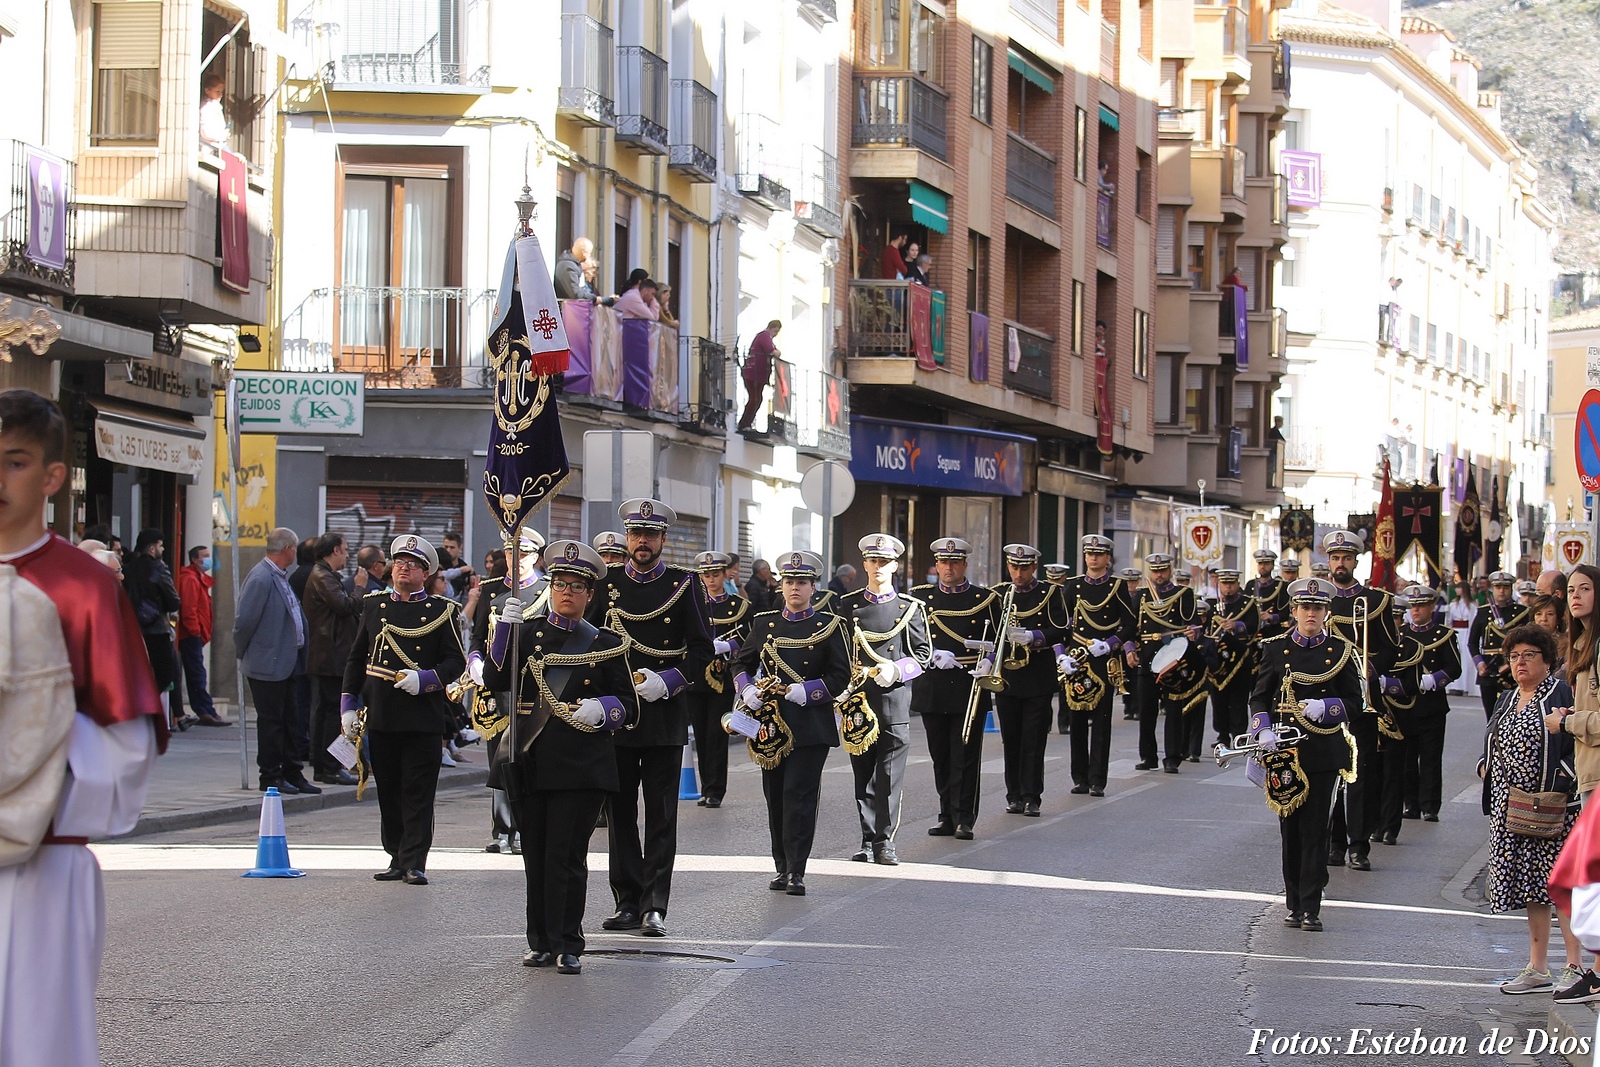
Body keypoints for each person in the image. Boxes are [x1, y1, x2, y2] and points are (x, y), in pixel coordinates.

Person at [0, 390, 167, 1067]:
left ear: (51, 476)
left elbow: (126, 744)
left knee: (42, 1043)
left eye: (13, 462)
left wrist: (31, 758)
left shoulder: (82, 586)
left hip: (43, 863)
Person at [482, 539, 638, 975]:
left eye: (577, 586)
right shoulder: (526, 634)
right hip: (530, 760)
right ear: (550, 587)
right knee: (535, 854)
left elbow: (629, 704)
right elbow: (495, 679)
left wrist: (602, 709)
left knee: (567, 856)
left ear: (590, 594)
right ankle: (540, 941)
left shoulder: (604, 642)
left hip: (582, 765)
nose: (567, 591)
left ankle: (569, 941)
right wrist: (503, 631)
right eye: (560, 583)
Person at [589, 499, 714, 939]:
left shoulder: (685, 585)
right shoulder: (605, 585)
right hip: (618, 712)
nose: (642, 542)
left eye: (651, 535)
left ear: (664, 540)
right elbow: (588, 644)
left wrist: (671, 680)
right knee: (619, 813)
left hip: (663, 711)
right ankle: (626, 900)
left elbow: (703, 650)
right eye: (636, 534)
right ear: (626, 538)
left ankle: (654, 905)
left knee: (661, 815)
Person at [340, 534, 466, 885]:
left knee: (418, 791)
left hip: (422, 716)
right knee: (390, 791)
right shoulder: (374, 605)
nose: (403, 568)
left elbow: (455, 662)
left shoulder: (441, 611)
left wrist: (425, 679)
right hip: (382, 713)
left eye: (412, 565)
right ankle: (395, 855)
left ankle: (414, 861)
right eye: (399, 562)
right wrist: (348, 706)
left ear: (425, 573)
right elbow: (356, 659)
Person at [731, 551, 852, 895]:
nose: (794, 588)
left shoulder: (831, 625)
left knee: (800, 796)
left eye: (802, 582)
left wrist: (809, 690)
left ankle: (797, 870)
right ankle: (780, 866)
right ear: (781, 586)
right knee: (776, 797)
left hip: (810, 723)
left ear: (813, 587)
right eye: (789, 582)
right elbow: (739, 664)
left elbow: (841, 677)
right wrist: (747, 689)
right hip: (772, 724)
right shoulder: (764, 623)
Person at [1247, 576, 1361, 933]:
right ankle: (1293, 902)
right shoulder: (1275, 648)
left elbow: (1357, 704)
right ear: (1294, 611)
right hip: (1284, 752)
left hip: (1324, 750)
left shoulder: (1342, 652)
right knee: (1290, 831)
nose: (1311, 614)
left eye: (1318, 608)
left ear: (1326, 612)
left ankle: (1311, 905)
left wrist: (1326, 706)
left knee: (1316, 831)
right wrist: (1262, 728)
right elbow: (1259, 695)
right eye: (1305, 608)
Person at [1480, 625, 1582, 995]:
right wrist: (1485, 766)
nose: (1519, 662)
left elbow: (1574, 746)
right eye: (1513, 656)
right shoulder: (1507, 698)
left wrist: (1560, 781)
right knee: (1530, 888)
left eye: (1528, 655)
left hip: (1553, 807)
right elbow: (1491, 738)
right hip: (1511, 807)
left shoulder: (1560, 693)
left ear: (1547, 660)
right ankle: (1538, 967)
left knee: (1559, 886)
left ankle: (1575, 966)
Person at [838, 535, 932, 864]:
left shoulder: (909, 608)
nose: (878, 567)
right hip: (858, 700)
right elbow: (837, 652)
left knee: (889, 777)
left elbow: (923, 654)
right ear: (864, 564)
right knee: (863, 775)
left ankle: (885, 841)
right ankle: (867, 839)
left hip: (892, 698)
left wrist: (897, 669)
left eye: (884, 562)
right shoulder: (848, 606)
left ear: (895, 566)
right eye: (872, 561)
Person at [1320, 529, 1401, 873]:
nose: (1341, 564)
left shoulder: (1375, 601)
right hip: (1327, 698)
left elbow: (1392, 648)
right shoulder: (1317, 600)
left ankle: (1359, 845)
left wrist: (1374, 666)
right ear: (1329, 561)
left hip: (1363, 698)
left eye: (1347, 558)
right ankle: (1335, 844)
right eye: (1336, 558)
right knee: (1331, 771)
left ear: (1356, 561)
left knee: (1360, 774)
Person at [910, 538, 1001, 838]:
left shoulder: (984, 599)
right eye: (943, 562)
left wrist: (988, 661)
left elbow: (999, 641)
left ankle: (964, 817)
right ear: (936, 565)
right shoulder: (919, 599)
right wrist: (930, 655)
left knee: (965, 753)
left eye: (954, 562)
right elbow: (910, 639)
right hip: (934, 682)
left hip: (967, 682)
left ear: (964, 565)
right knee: (940, 754)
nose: (948, 568)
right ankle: (946, 814)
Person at [468, 525, 549, 852]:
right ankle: (502, 831)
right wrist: (474, 663)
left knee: (530, 756)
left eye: (525, 554)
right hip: (495, 686)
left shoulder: (546, 589)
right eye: (511, 553)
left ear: (536, 557)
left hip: (533, 685)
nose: (517, 560)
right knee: (498, 759)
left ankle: (529, 825)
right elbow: (476, 638)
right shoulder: (490, 590)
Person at [234, 528, 321, 795]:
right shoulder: (261, 578)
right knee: (272, 722)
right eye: (293, 548)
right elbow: (244, 622)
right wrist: (245, 652)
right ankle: (270, 776)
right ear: (288, 549)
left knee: (291, 720)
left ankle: (293, 773)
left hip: (288, 659)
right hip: (267, 663)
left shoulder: (280, 577)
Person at [1374, 584, 1461, 844]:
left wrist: (1434, 680)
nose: (1416, 610)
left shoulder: (1442, 635)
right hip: (1404, 707)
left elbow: (1453, 667)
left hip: (1432, 705)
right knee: (1407, 759)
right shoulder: (1400, 636)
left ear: (1432, 607)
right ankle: (1410, 803)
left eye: (1421, 605)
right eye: (1413, 606)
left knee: (1431, 757)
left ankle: (1430, 805)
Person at [989, 544, 1069, 816]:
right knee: (1010, 739)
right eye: (1014, 567)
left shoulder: (1051, 592)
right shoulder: (1000, 593)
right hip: (1008, 676)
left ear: (1034, 567)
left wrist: (1036, 637)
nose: (1018, 573)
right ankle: (1013, 795)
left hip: (1037, 676)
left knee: (1033, 739)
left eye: (1024, 568)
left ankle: (1032, 796)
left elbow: (1061, 630)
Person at [1055, 535, 1136, 797]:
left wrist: (1112, 642)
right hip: (1078, 659)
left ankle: (1097, 779)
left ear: (1107, 559)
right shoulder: (1074, 586)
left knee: (1101, 723)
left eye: (1099, 554)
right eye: (1089, 554)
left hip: (1103, 660)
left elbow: (1130, 624)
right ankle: (1079, 777)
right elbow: (1060, 623)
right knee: (1077, 719)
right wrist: (1061, 655)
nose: (1093, 558)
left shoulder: (1117, 586)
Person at [1130, 553, 1204, 774]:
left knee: (1173, 709)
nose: (1159, 575)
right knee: (1147, 710)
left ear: (1170, 570)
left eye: (1163, 570)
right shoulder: (1142, 596)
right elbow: (1131, 626)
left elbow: (1195, 623)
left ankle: (1172, 757)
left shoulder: (1182, 594)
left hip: (1172, 658)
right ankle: (1148, 756)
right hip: (1147, 656)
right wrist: (1130, 649)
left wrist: (1192, 631)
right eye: (1155, 571)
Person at [302, 532, 366, 786]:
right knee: (329, 714)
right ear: (334, 551)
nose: (348, 555)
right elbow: (344, 606)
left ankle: (328, 764)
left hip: (332, 654)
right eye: (345, 549)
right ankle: (327, 766)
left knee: (327, 712)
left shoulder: (327, 576)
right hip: (330, 656)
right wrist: (360, 587)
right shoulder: (322, 576)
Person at [686, 551, 748, 809]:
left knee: (717, 733)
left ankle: (715, 790)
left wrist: (728, 645)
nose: (711, 580)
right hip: (695, 676)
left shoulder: (737, 605)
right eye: (706, 575)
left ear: (725, 575)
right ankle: (705, 787)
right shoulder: (692, 603)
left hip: (721, 678)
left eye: (715, 575)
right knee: (700, 734)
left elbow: (747, 638)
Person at [123, 528, 186, 727]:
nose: (163, 548)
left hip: (132, 628)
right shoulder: (158, 568)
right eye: (160, 545)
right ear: (152, 548)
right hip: (157, 629)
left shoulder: (127, 569)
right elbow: (173, 599)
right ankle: (152, 711)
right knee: (166, 674)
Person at [1548, 565, 1600, 804]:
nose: (1575, 596)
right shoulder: (1581, 645)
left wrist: (1566, 722)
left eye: (1585, 589)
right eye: (1570, 590)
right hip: (1589, 770)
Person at [1204, 568, 1260, 750]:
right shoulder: (1210, 605)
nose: (1228, 588)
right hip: (1217, 660)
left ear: (1237, 584)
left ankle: (1239, 734)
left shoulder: (1248, 603)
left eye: (1231, 584)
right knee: (1218, 699)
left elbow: (1254, 626)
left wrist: (1237, 626)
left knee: (1238, 699)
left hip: (1240, 660)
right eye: (1224, 584)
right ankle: (1222, 734)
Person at [176, 544, 228, 726]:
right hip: (190, 634)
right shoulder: (190, 580)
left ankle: (206, 709)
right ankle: (205, 710)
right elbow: (189, 610)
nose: (208, 559)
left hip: (194, 634)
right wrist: (195, 632)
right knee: (196, 673)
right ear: (194, 559)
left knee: (196, 672)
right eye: (204, 556)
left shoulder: (197, 578)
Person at [1471, 571, 1530, 721]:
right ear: (1493, 589)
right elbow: (1472, 642)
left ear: (1511, 589)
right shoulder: (1483, 612)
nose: (1502, 591)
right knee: (1491, 717)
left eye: (1505, 587)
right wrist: (1479, 663)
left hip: (1513, 669)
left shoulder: (1522, 612)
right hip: (1489, 669)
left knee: (1514, 716)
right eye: (1498, 587)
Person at [737, 320, 781, 433]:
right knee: (755, 398)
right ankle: (744, 424)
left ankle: (746, 423)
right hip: (753, 373)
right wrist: (776, 352)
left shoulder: (766, 337)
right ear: (772, 328)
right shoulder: (764, 336)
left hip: (758, 374)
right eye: (776, 331)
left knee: (756, 399)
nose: (776, 333)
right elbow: (772, 351)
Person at [1116, 566, 1144, 721]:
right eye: (1128, 582)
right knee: (1123, 675)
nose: (1130, 585)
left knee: (1136, 676)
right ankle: (1127, 705)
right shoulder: (1119, 595)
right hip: (1122, 638)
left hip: (1137, 640)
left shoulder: (1141, 597)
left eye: (1133, 582)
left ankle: (1136, 706)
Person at [1446, 580, 1480, 697]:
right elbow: (1449, 620)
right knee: (1456, 657)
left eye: (1459, 587)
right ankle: (1455, 686)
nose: (1456, 590)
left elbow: (1473, 621)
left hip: (1466, 632)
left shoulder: (1472, 605)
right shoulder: (1453, 604)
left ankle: (1465, 686)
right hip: (1456, 632)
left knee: (1466, 659)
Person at [1532, 594, 1569, 672]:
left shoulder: (1567, 643)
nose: (1543, 619)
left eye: (1550, 614)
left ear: (1558, 618)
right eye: (1539, 614)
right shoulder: (1526, 641)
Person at [553, 237, 594, 301]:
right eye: (589, 253)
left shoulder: (574, 264)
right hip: (568, 308)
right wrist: (594, 298)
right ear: (584, 253)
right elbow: (575, 294)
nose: (589, 256)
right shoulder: (569, 267)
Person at [199, 73, 228, 150]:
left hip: (220, 146)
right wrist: (222, 135)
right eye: (217, 91)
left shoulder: (216, 106)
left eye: (221, 92)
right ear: (207, 90)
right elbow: (206, 133)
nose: (220, 95)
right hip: (210, 148)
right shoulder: (205, 108)